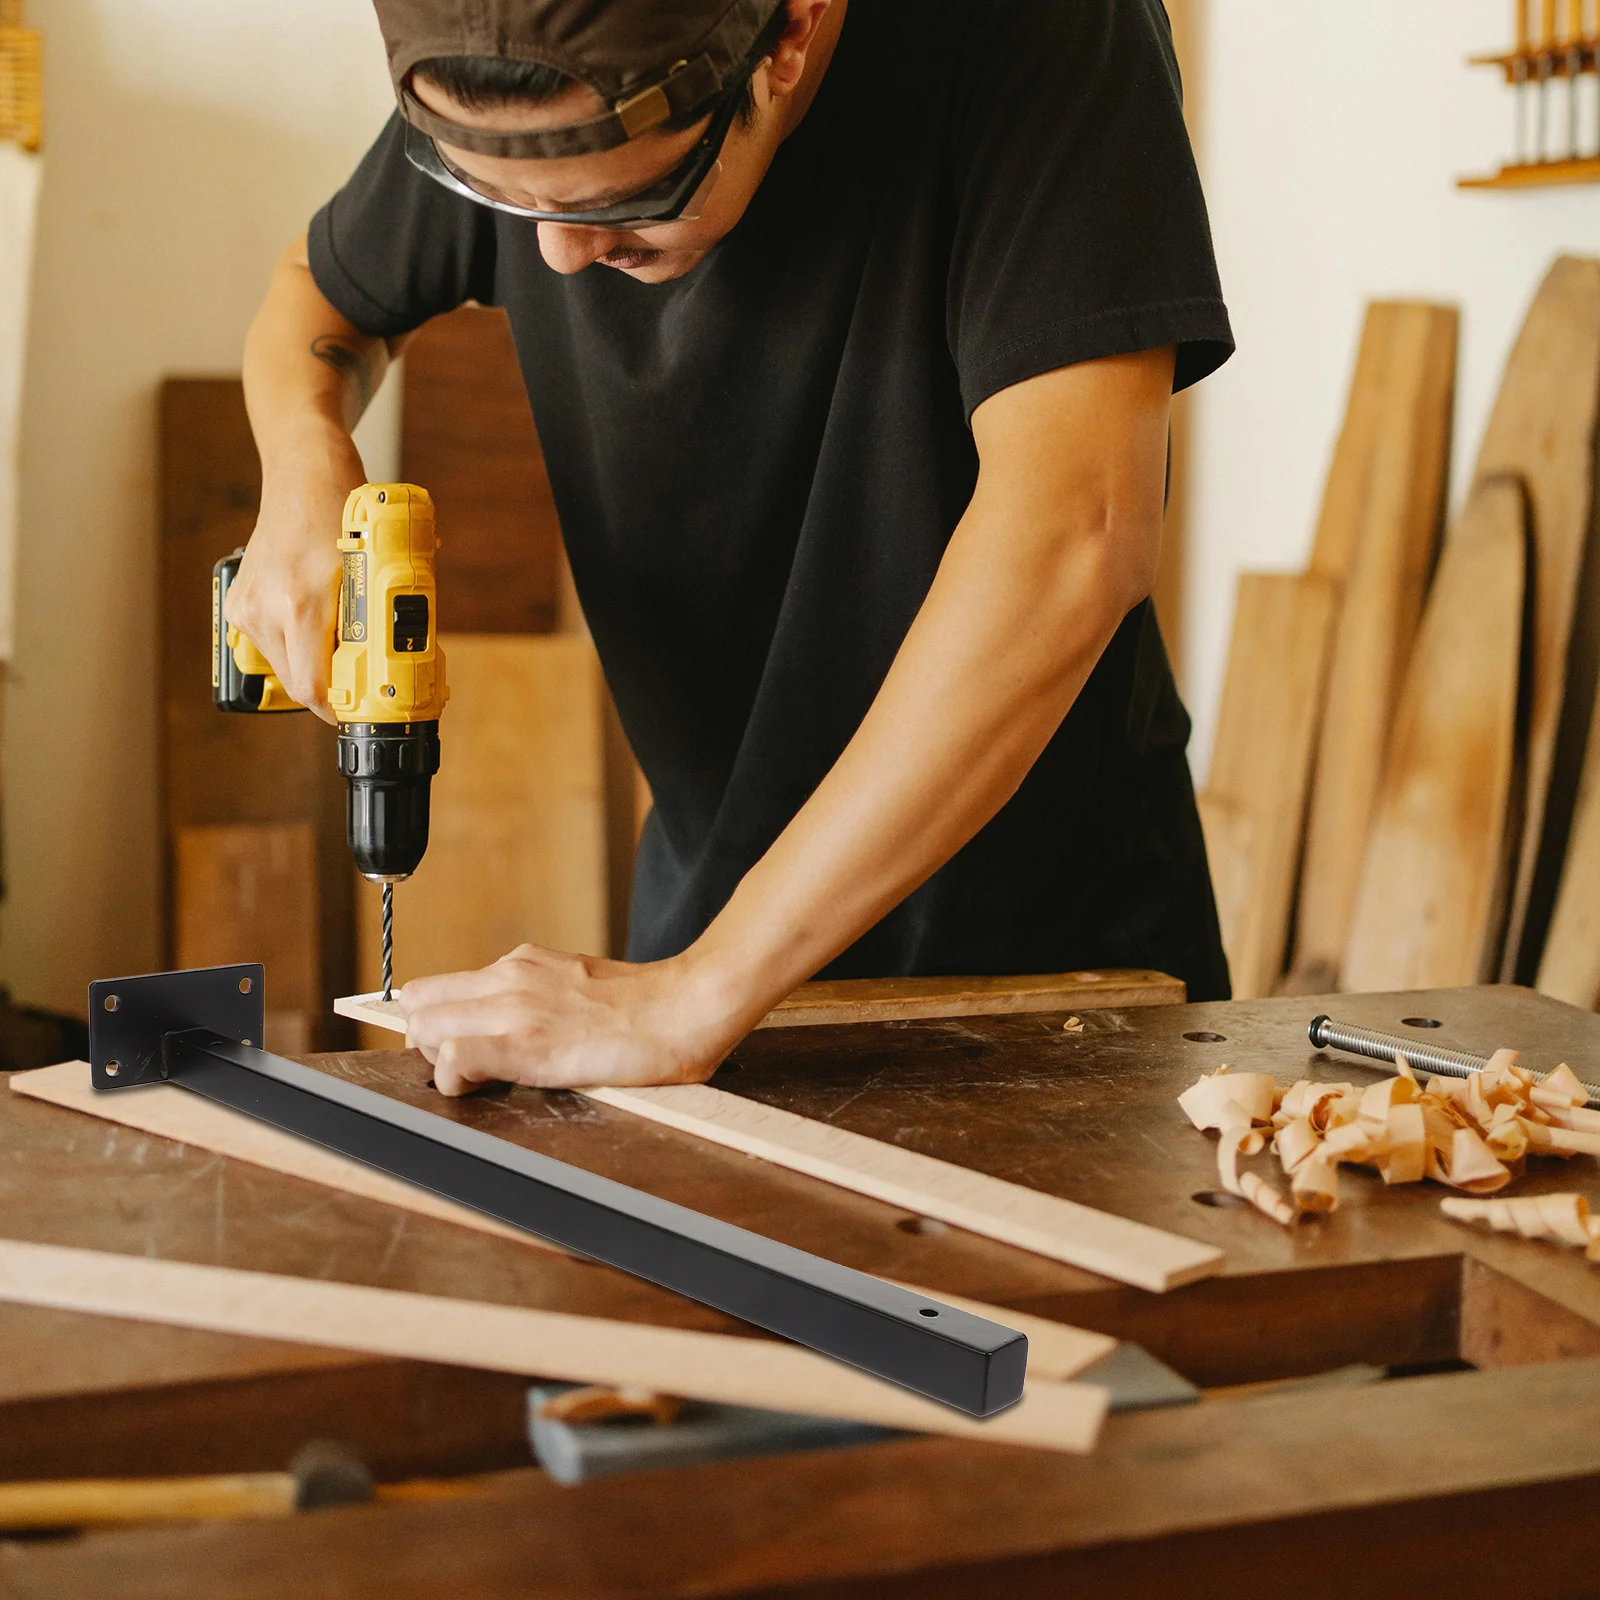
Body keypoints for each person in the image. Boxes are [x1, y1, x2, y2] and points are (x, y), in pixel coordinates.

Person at [227, 0, 1234, 1094]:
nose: (558, 255)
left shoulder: (1036, 33)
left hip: (1043, 971)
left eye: (625, 202)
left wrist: (701, 992)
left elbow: (1076, 535)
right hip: (703, 922)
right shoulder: (516, 75)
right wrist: (300, 467)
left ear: (789, 37)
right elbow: (313, 301)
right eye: (502, 204)